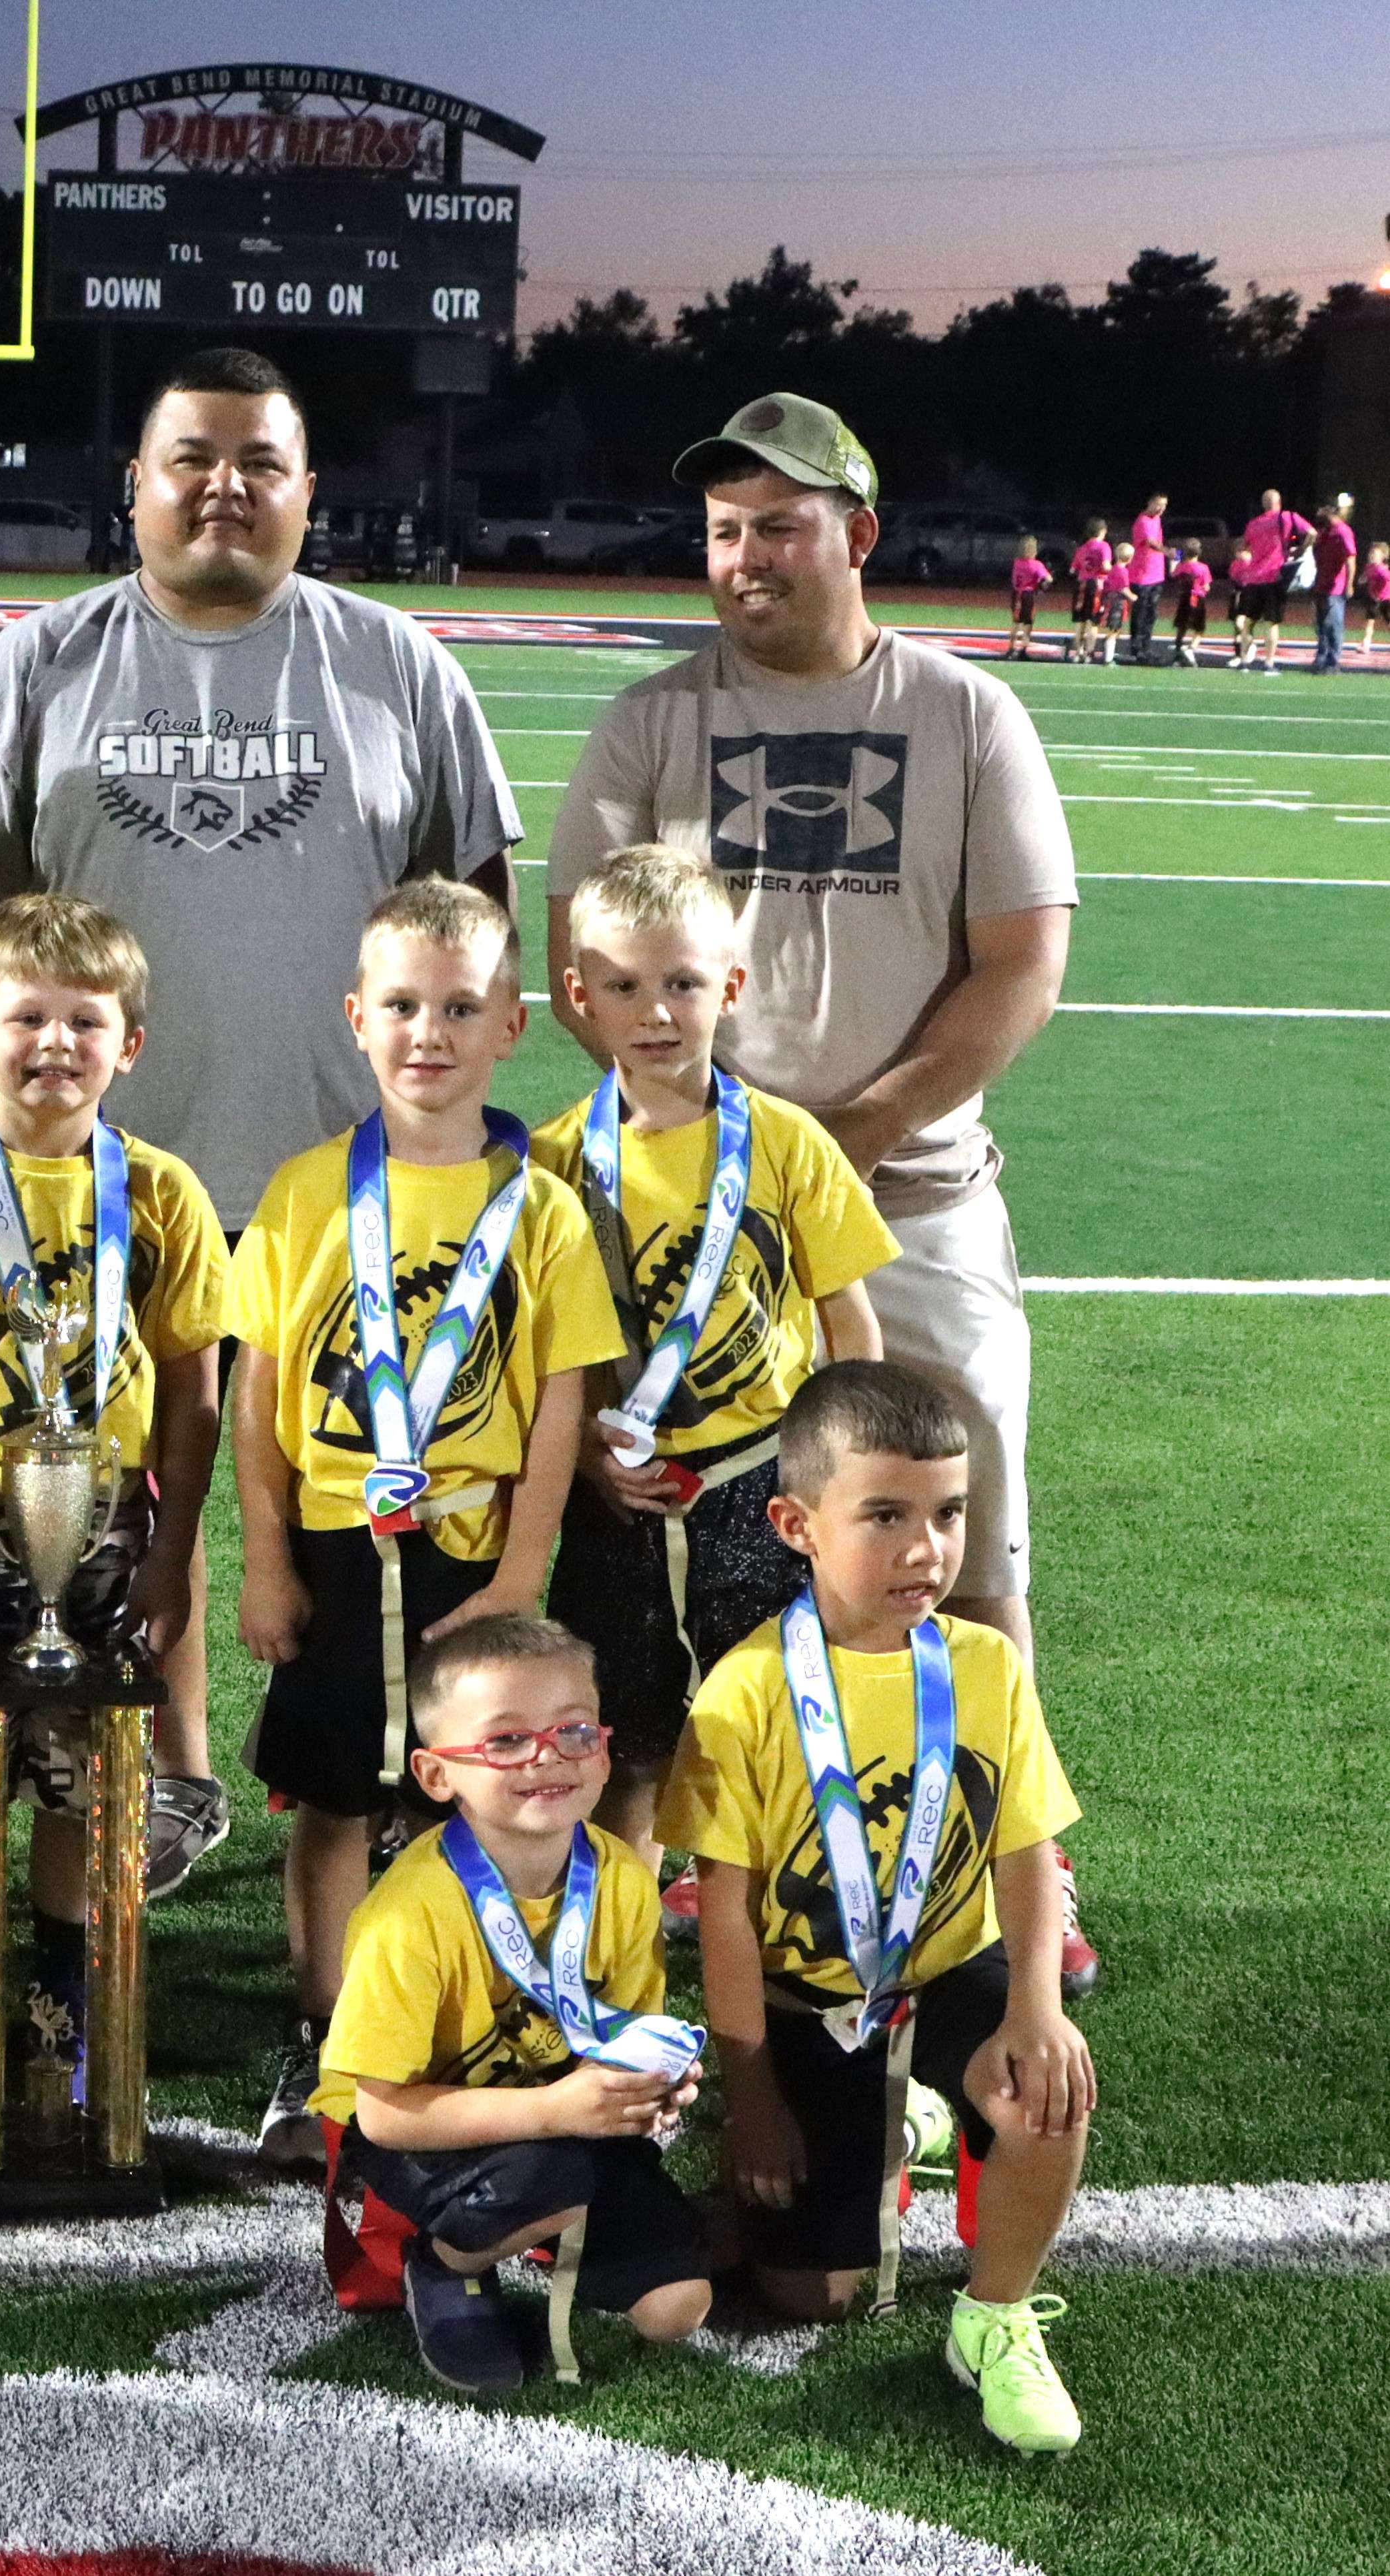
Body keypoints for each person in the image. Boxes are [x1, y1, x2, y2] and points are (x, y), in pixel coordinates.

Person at [0, 346, 522, 1870]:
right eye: (192, 457)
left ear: (307, 492)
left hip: (346, 1184)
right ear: (134, 484)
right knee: (113, 1485)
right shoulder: (30, 663)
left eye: (258, 460)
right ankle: (167, 1772)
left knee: (365, 1495)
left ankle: (385, 1788)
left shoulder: (396, 663)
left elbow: (475, 901)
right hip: (107, 1176)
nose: (223, 486)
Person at [544, 391, 1095, 1991]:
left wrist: (843, 1133)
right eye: (721, 530)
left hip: (909, 1195)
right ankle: (702, 1852)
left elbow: (1020, 962)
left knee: (965, 1537)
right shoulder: (652, 721)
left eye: (776, 525)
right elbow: (584, 957)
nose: (741, 557)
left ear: (857, 536)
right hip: (674, 1224)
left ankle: (1009, 1860)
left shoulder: (963, 715)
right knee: (676, 1555)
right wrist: (714, 1140)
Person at [227, 880, 622, 2171]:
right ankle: (329, 2030)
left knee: (488, 1797)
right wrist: (269, 1560)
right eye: (400, 1004)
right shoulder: (303, 1194)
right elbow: (258, 1394)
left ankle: (485, 2026)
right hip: (342, 1549)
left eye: (459, 1006)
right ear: (356, 1016)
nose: (427, 1032)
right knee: (335, 1798)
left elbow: (559, 1402)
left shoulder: (543, 1206)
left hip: (470, 1543)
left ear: (511, 1022)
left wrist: (519, 1570)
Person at [657, 1361, 1093, 2454]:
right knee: (811, 2294)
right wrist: (749, 2089)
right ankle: (889, 2121)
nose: (925, 1549)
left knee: (1046, 2089)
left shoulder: (986, 1664)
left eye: (946, 1514)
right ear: (793, 1523)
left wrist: (1033, 2003)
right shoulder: (744, 1691)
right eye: (884, 1515)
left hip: (949, 1966)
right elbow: (721, 1910)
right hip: (804, 1993)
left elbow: (1026, 1847)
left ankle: (988, 2318)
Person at [0, 895, 229, 2116]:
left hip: (105, 1519)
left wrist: (172, 1553)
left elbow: (190, 1387)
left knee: (81, 1775)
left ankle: (60, 1998)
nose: (54, 1044)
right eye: (26, 1016)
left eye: (85, 1020)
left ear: (127, 1044)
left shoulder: (165, 1191)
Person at [536, 844, 896, 1902]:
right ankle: (622, 1955)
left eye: (683, 983)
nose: (655, 1011)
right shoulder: (556, 1161)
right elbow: (551, 1355)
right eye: (623, 986)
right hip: (619, 1500)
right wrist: (590, 1462)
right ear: (578, 996)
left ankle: (789, 1956)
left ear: (728, 987)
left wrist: (830, 1485)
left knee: (775, 1740)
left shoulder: (785, 1143)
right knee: (628, 1749)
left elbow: (850, 1327)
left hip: (763, 1486)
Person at [313, 1616, 712, 2394]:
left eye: (572, 1731)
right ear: (435, 1775)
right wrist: (560, 2111)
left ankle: (538, 2217)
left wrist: (655, 2086)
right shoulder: (410, 1913)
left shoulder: (625, 1882)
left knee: (677, 2307)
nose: (546, 1759)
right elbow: (382, 2116)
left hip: (562, 2115)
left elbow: (622, 2032)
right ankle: (443, 2262)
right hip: (424, 2127)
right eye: (504, 1742)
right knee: (547, 2180)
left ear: (604, 1746)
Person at [1226, 486, 1312, 670]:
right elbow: (1312, 533)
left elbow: (1243, 547)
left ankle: (1243, 660)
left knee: (1248, 622)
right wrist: (1300, 551)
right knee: (1271, 623)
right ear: (1278, 503)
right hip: (1275, 576)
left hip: (1254, 578)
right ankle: (1269, 663)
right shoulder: (1288, 517)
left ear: (1263, 505)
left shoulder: (1254, 524)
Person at [1309, 500, 1359, 674]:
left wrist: (1350, 584)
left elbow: (1350, 558)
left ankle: (1332, 662)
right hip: (1322, 583)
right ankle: (1321, 658)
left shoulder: (1343, 532)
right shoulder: (1326, 533)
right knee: (1321, 625)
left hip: (1335, 586)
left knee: (1333, 624)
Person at [1126, 494, 1169, 664]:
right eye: (1158, 504)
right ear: (1150, 503)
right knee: (1140, 612)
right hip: (1142, 576)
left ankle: (1146, 647)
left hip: (1156, 574)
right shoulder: (1143, 520)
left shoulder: (1157, 519)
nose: (1161, 509)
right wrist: (1170, 552)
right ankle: (1137, 648)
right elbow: (1152, 542)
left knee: (1152, 613)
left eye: (1164, 505)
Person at [1065, 519, 1110, 664]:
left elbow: (1073, 569)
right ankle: (1090, 653)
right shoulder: (1104, 547)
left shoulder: (1082, 548)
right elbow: (1106, 565)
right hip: (1096, 585)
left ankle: (1078, 652)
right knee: (1093, 621)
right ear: (1102, 531)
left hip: (1081, 584)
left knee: (1080, 621)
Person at [1004, 536, 1051, 658]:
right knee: (1027, 624)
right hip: (1029, 595)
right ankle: (1023, 650)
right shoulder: (1036, 565)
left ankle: (1011, 647)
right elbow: (1048, 579)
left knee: (1016, 622)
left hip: (1017, 594)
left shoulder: (1017, 563)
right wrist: (1043, 584)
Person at [1171, 540, 1214, 666]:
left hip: (1184, 598)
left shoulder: (1182, 566)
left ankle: (1178, 652)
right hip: (1198, 599)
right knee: (1200, 628)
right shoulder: (1203, 568)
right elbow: (1206, 587)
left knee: (1182, 626)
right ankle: (1191, 649)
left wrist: (1174, 561)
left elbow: (1173, 575)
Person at [1096, 543, 1135, 664]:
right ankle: (1108, 658)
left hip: (1110, 600)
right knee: (1115, 629)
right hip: (1117, 603)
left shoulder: (1113, 569)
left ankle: (1108, 651)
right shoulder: (1123, 572)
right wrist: (1133, 597)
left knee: (1115, 629)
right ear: (1129, 558)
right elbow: (1124, 588)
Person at [1360, 540, 1390, 654]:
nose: (1372, 556)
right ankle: (1366, 644)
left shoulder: (1382, 570)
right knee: (1370, 621)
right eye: (1371, 553)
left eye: (1375, 554)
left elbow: (1388, 578)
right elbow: (1366, 575)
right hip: (1374, 599)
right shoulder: (1369, 567)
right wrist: (1362, 579)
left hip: (1386, 600)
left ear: (1383, 557)